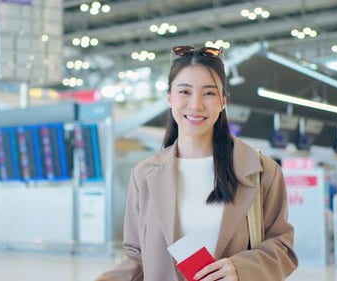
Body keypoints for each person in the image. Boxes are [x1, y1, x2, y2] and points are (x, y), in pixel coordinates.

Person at [97, 45, 298, 280]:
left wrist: (241, 269)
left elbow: (282, 248)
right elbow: (137, 258)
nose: (196, 105)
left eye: (209, 93)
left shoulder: (261, 170)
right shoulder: (145, 175)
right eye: (184, 92)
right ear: (169, 98)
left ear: (223, 101)